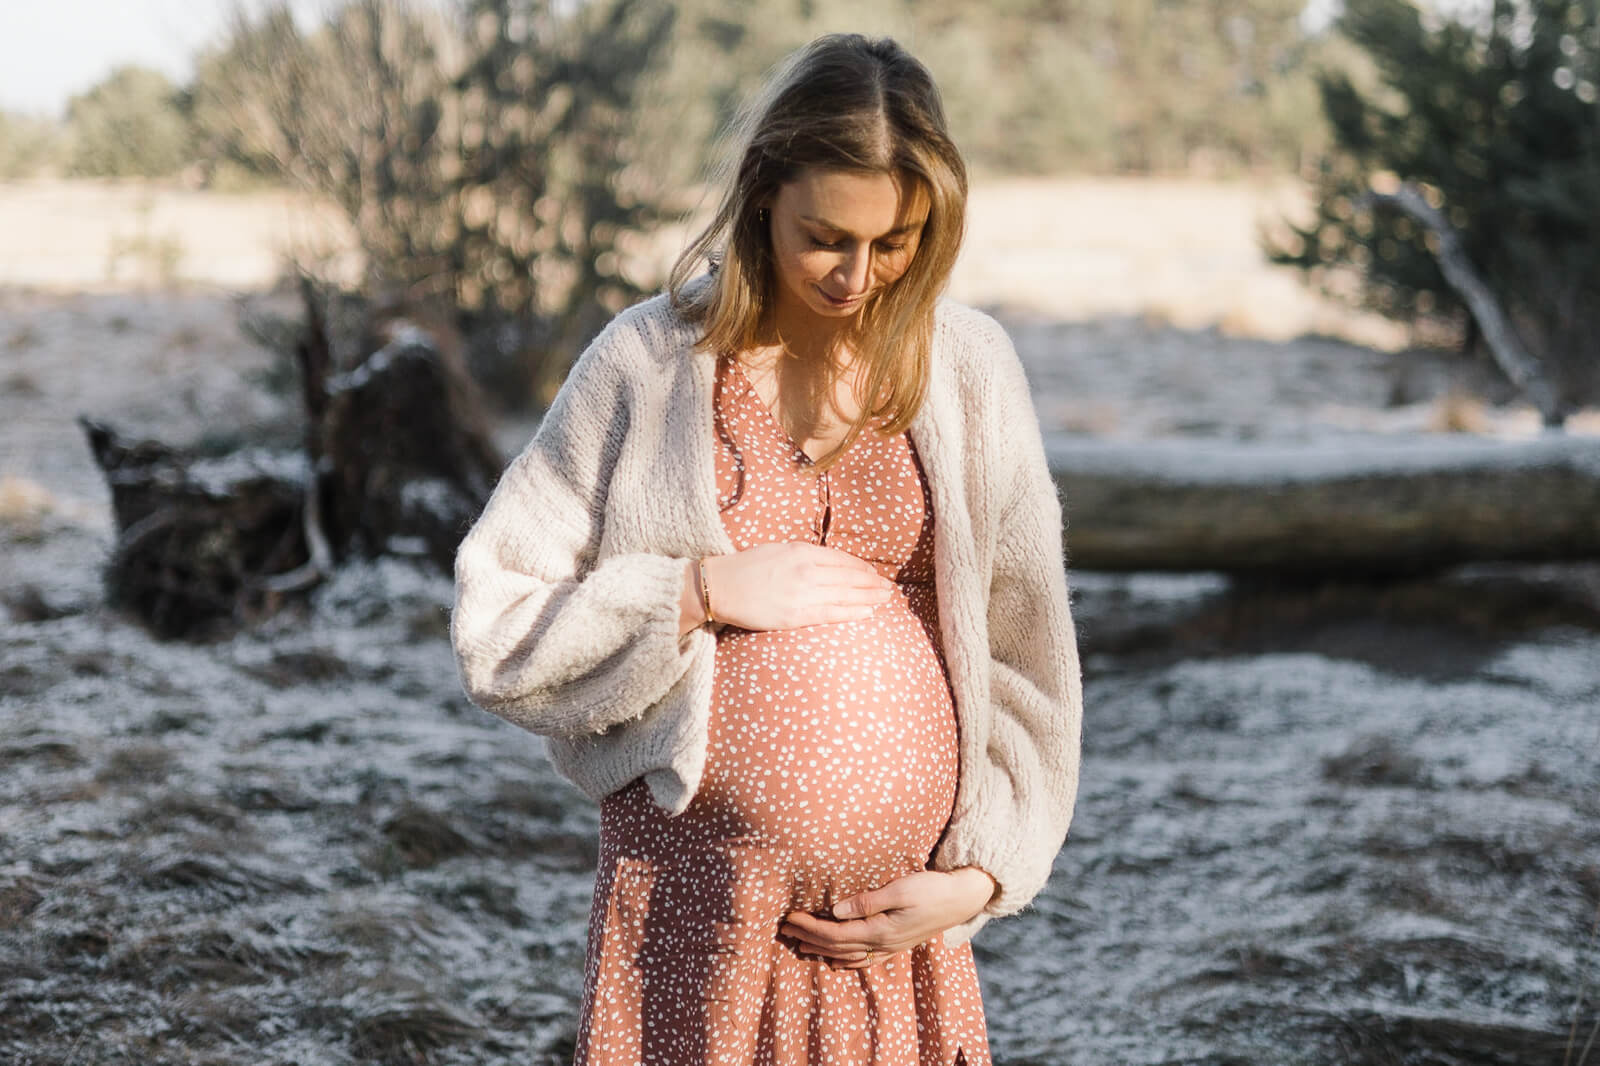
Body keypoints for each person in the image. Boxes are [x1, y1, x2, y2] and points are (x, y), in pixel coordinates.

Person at [452, 32, 1081, 1066]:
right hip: (696, 919)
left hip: (899, 949)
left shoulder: (968, 368)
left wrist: (981, 875)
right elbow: (497, 621)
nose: (857, 275)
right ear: (761, 196)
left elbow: (1028, 652)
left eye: (895, 242)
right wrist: (692, 591)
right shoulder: (650, 362)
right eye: (824, 237)